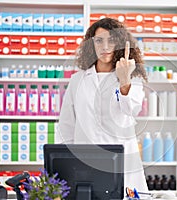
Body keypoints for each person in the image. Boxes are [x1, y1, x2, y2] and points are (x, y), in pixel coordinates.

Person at [57, 17, 148, 192]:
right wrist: (65, 164)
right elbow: (66, 126)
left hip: (121, 164)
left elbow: (132, 109)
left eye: (111, 41)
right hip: (84, 163)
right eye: (99, 41)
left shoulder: (132, 78)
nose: (105, 47)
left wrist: (124, 80)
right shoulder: (78, 80)